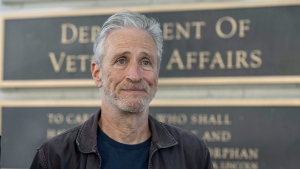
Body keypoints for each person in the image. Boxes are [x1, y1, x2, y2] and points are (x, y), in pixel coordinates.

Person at [30, 10, 213, 169]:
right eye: (121, 61)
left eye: (146, 62)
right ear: (97, 73)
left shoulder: (193, 153)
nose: (134, 75)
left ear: (157, 73)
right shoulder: (55, 157)